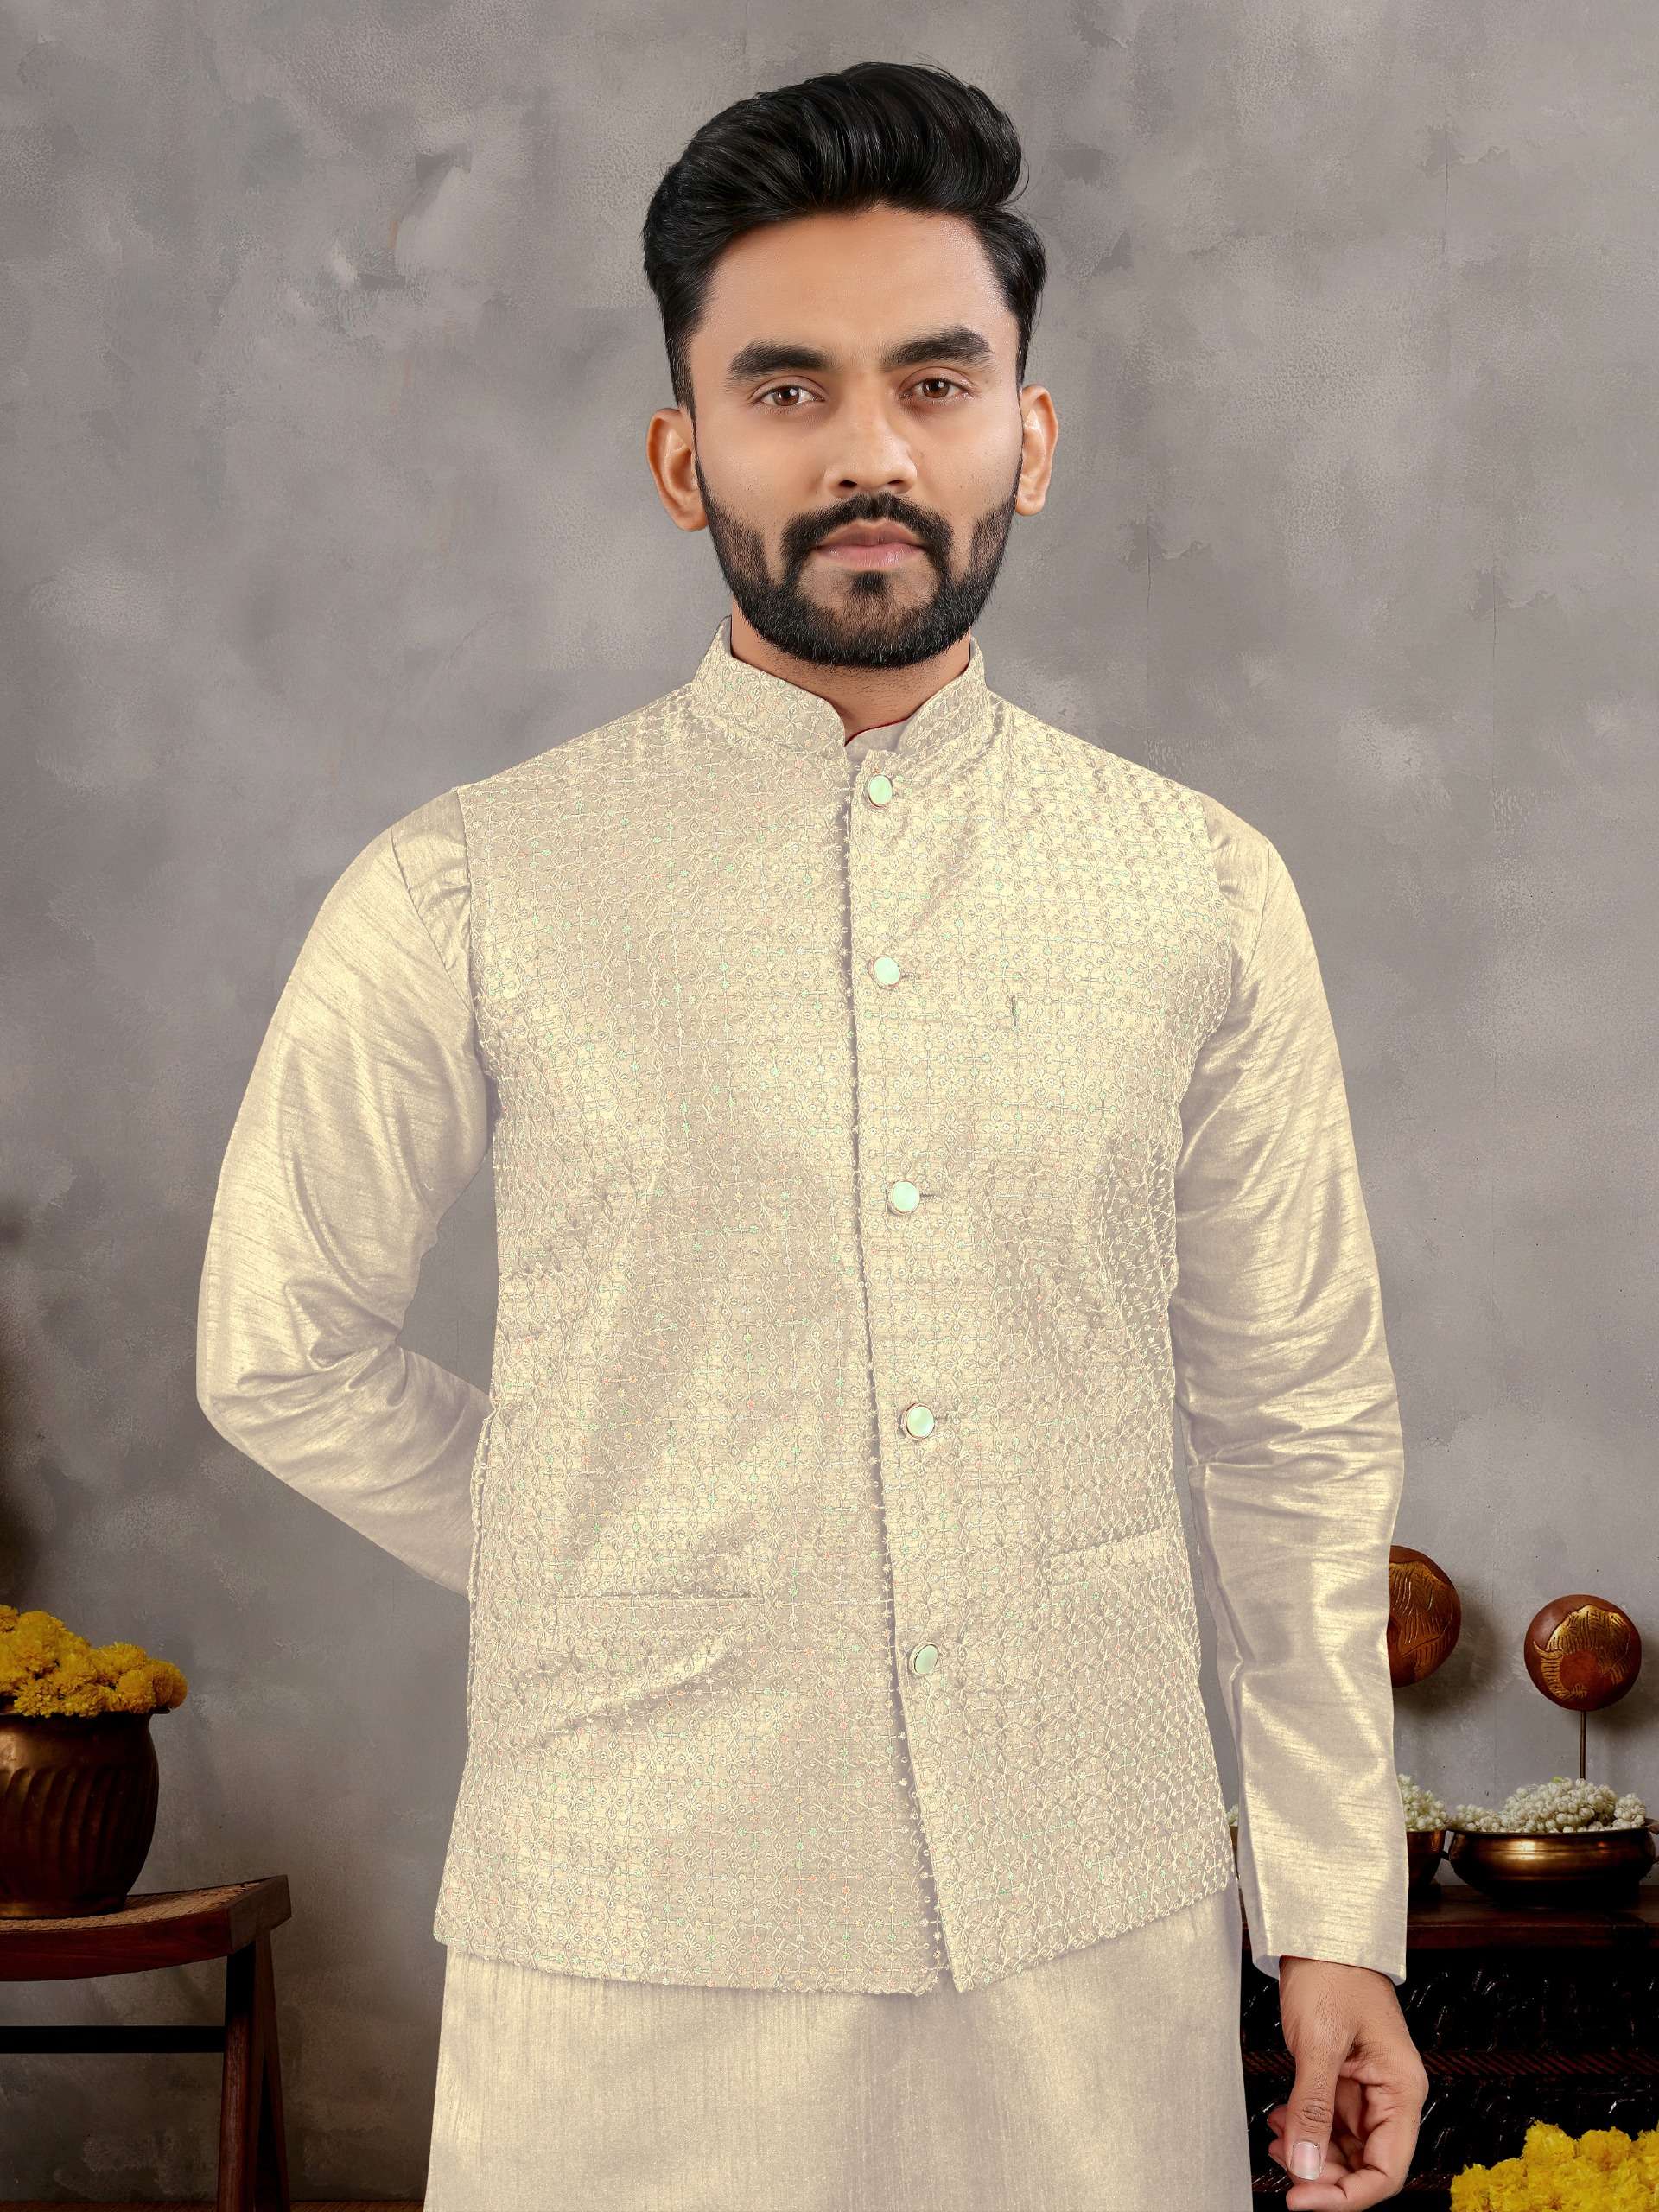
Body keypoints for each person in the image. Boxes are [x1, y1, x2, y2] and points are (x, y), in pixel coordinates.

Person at [196, 58, 1427, 2212]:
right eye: (789, 389)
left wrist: (1334, 1912)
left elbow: (1295, 1421)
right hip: (628, 1927)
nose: (872, 450)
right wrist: (614, 1559)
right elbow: (275, 1340)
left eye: (936, 382)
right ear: (684, 457)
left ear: (1029, 435)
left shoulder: (1199, 888)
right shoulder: (475, 883)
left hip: (1092, 1933)